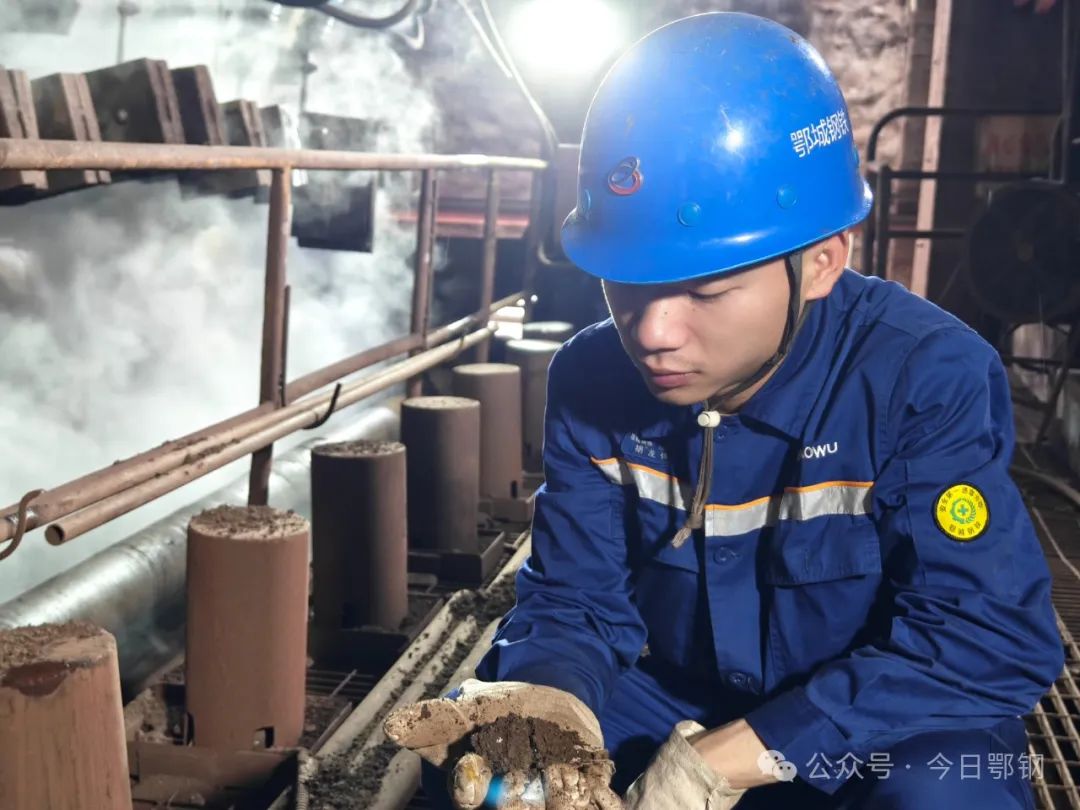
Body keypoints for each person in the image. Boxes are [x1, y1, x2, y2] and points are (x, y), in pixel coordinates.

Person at [385, 12, 1064, 809]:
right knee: (496, 771)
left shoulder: (922, 377)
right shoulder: (590, 381)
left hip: (875, 723)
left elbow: (986, 637)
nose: (653, 333)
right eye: (628, 283)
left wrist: (744, 755)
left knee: (947, 795)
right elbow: (574, 601)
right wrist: (551, 704)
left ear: (822, 262)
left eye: (705, 290)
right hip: (671, 699)